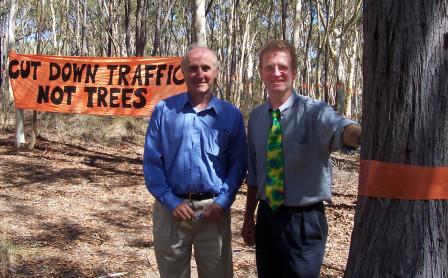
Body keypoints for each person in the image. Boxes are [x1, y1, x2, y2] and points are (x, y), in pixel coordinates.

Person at [241, 40, 361, 277]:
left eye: (283, 67)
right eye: (269, 67)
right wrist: (248, 218)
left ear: (294, 72)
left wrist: (360, 135)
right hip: (267, 217)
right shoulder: (256, 118)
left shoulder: (315, 112)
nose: (276, 72)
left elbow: (341, 128)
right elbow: (254, 174)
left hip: (304, 222)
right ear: (261, 72)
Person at [143, 44, 247, 278]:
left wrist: (222, 202)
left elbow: (238, 164)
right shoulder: (164, 110)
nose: (199, 74)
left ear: (216, 72)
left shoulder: (231, 115)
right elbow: (152, 162)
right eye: (192, 68)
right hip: (171, 212)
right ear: (183, 72)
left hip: (214, 213)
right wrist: (170, 201)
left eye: (205, 68)